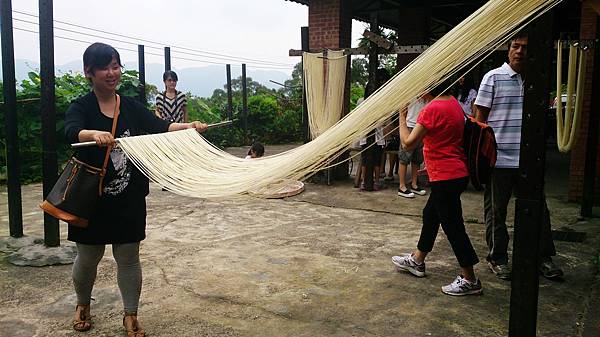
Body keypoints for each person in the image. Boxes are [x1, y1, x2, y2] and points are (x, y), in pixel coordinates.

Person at [64, 42, 207, 336]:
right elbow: (70, 131)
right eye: (104, 67)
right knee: (88, 257)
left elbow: (159, 125)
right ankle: (82, 305)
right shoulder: (81, 106)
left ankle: (130, 315)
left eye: (116, 66)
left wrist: (188, 126)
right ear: (89, 72)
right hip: (90, 198)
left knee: (128, 257)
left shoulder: (129, 106)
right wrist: (93, 134)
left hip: (128, 197)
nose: (112, 72)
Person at [474, 32, 563, 281]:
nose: (520, 51)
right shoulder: (493, 78)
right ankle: (498, 258)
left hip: (528, 160)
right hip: (499, 160)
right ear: (508, 49)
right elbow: (480, 121)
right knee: (497, 211)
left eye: (525, 47)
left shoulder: (537, 79)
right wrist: (481, 158)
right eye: (516, 46)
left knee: (538, 210)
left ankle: (543, 257)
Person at [391, 78, 482, 296]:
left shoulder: (431, 109)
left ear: (426, 88)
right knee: (430, 215)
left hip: (445, 176)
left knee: (453, 227)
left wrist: (402, 117)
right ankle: (417, 260)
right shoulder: (452, 103)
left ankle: (470, 279)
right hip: (455, 173)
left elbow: (408, 143)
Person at [397, 94, 432, 198]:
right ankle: (402, 186)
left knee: (417, 158)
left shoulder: (428, 96)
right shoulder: (410, 94)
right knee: (404, 158)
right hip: (409, 127)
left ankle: (414, 184)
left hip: (421, 127)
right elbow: (403, 110)